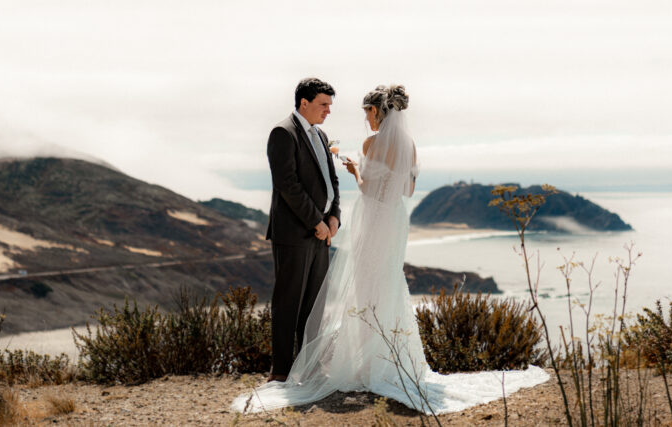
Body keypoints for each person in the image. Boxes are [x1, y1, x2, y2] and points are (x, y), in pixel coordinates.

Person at [233, 84, 547, 415]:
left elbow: (363, 190)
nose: (337, 112)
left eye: (365, 111)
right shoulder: (405, 145)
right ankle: (361, 363)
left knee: (361, 288)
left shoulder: (370, 143)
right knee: (384, 284)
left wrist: (351, 181)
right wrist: (328, 213)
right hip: (390, 221)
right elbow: (405, 190)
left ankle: (363, 365)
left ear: (376, 111)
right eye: (324, 104)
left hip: (371, 220)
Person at [264, 77, 342, 382]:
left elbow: (331, 181)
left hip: (322, 234)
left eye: (330, 105)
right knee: (288, 304)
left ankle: (308, 368)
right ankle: (281, 372)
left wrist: (334, 217)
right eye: (323, 104)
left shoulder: (320, 135)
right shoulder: (283, 133)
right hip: (294, 234)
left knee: (314, 306)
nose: (328, 111)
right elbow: (288, 185)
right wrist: (316, 222)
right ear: (304, 103)